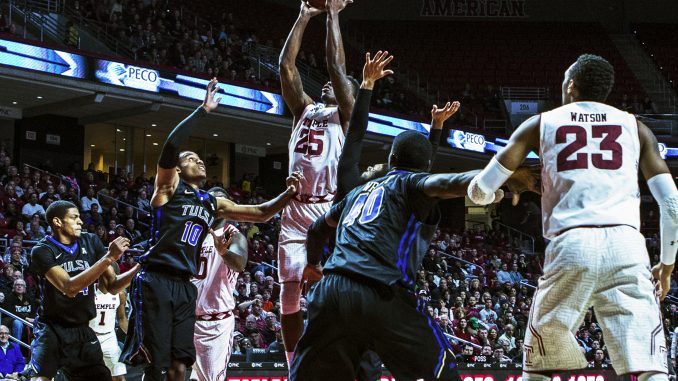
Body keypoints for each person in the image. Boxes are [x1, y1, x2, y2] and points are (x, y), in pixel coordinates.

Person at [467, 54, 677, 381]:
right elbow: (672, 203)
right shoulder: (636, 127)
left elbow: (479, 191)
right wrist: (666, 265)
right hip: (627, 244)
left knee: (538, 366)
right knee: (650, 368)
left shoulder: (541, 123)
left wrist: (495, 193)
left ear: (570, 86)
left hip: (571, 242)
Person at [291, 130, 533, 380]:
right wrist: (502, 176)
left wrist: (312, 265)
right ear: (426, 166)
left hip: (330, 292)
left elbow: (316, 229)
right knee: (441, 371)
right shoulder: (410, 183)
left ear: (391, 158)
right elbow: (452, 182)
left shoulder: (355, 194)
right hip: (380, 292)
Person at [120, 79, 300, 381]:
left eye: (200, 158)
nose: (199, 160)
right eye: (191, 159)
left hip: (185, 287)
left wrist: (288, 194)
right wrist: (202, 111)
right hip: (157, 280)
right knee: (157, 362)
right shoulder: (167, 189)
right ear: (177, 169)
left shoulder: (212, 203)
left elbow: (260, 213)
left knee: (181, 366)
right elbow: (169, 148)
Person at [277, 0, 357, 365]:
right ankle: (294, 361)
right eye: (324, 84)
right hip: (294, 209)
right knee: (288, 296)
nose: (327, 84)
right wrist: (304, 16)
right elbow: (286, 66)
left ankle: (339, 355)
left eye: (338, 87)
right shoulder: (303, 110)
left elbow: (337, 70)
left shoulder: (347, 115)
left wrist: (334, 15)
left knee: (329, 291)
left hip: (326, 208)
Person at [21, 200, 139, 381]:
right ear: (57, 222)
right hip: (52, 328)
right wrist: (109, 257)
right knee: (41, 379)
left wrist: (141, 265)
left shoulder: (91, 241)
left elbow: (113, 286)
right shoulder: (42, 250)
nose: (80, 222)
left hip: (83, 329)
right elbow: (69, 287)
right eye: (74, 217)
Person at [190, 188, 248, 381]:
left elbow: (240, 264)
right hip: (186, 318)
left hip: (215, 323)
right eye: (214, 201)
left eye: (222, 201)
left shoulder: (233, 233)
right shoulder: (193, 232)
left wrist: (224, 252)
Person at [89, 267, 128, 381]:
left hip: (109, 337)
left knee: (118, 376)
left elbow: (121, 318)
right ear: (100, 275)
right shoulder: (89, 291)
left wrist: (133, 338)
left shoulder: (120, 294)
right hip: (90, 337)